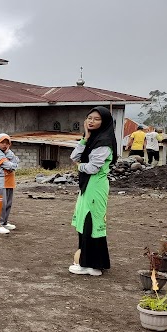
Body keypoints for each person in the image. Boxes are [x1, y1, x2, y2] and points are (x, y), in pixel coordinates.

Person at [69, 107, 117, 276]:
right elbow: (74, 157)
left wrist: (79, 167)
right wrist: (85, 138)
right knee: (84, 222)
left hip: (95, 187)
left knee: (92, 223)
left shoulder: (104, 142)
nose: (91, 121)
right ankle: (86, 262)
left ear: (104, 122)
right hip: (87, 187)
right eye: (89, 118)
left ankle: (93, 265)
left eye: (96, 119)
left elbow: (92, 168)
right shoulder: (92, 139)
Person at [0, 133, 19, 235]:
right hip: (0, 183)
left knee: (8, 204)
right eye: (2, 142)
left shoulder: (9, 153)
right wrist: (13, 163)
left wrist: (13, 162)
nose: (5, 145)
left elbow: (16, 162)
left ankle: (4, 222)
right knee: (0, 204)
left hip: (10, 182)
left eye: (7, 143)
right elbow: (11, 166)